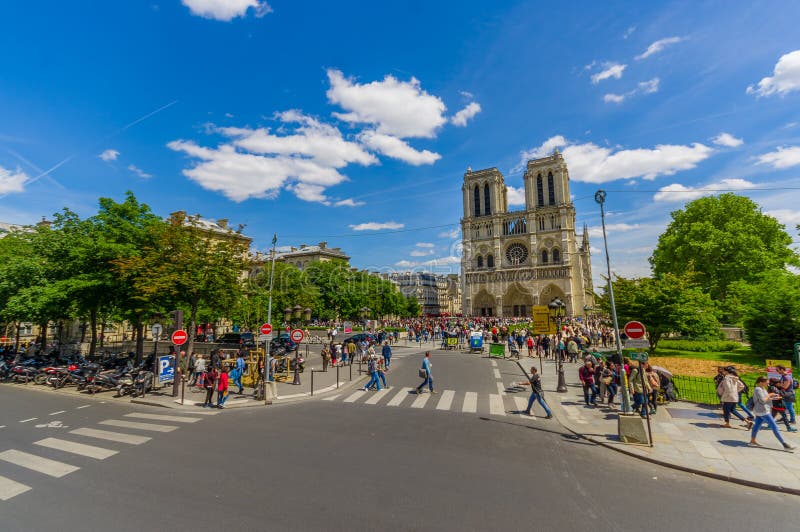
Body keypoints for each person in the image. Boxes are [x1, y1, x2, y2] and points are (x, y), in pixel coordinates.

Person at [749, 376, 796, 451]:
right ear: (761, 382)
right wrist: (770, 395)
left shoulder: (762, 388)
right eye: (766, 382)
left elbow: (765, 399)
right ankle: (785, 444)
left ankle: (752, 441)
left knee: (757, 426)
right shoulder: (758, 389)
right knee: (775, 427)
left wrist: (773, 397)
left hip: (761, 410)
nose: (768, 383)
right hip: (762, 411)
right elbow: (762, 400)